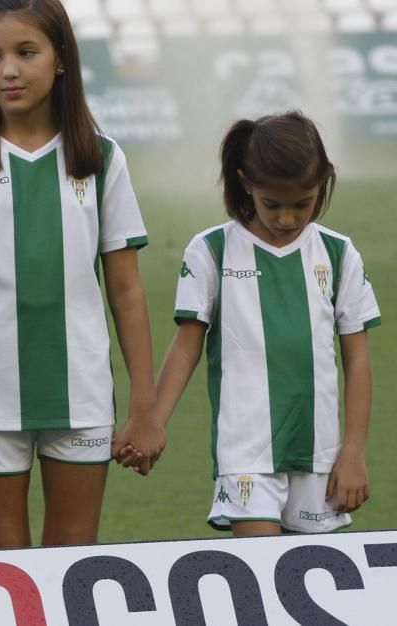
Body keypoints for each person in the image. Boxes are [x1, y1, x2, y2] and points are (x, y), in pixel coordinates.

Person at [0, 0, 164, 549]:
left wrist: (144, 405)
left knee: (73, 560)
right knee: (2, 564)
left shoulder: (101, 159)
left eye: (25, 52)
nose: (7, 70)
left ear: (61, 59)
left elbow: (126, 291)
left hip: (80, 393)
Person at [148, 111, 378, 536]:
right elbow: (186, 345)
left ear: (323, 182)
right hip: (246, 453)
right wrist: (152, 421)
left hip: (320, 455)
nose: (288, 218)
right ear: (245, 182)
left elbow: (358, 359)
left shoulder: (339, 253)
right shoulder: (211, 250)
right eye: (273, 204)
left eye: (302, 204)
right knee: (262, 581)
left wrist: (354, 451)